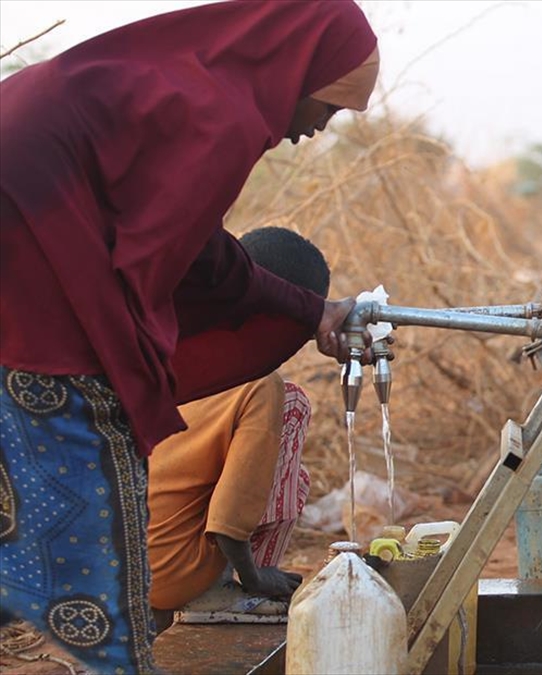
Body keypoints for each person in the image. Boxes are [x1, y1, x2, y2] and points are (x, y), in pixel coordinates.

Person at [0, 3, 380, 672]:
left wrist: (306, 308)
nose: (317, 129)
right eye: (327, 109)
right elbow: (158, 263)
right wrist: (136, 384)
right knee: (101, 533)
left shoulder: (180, 85)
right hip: (39, 283)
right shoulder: (223, 120)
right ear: (298, 70)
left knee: (25, 526)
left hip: (25, 265)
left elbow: (203, 252)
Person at [147, 227, 332, 632]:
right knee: (294, 409)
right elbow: (232, 511)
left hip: (115, 563)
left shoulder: (170, 345)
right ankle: (228, 592)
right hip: (173, 571)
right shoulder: (258, 385)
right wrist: (254, 575)